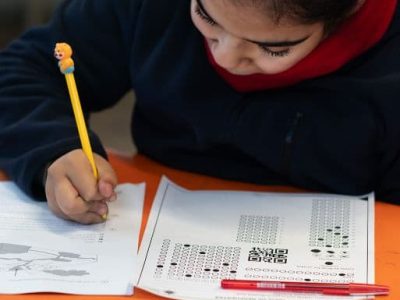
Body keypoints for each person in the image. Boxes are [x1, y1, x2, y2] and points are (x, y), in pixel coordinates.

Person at [0, 0, 399, 224]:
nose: (224, 56)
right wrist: (51, 146)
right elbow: (24, 71)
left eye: (272, 49)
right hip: (145, 238)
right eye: (206, 17)